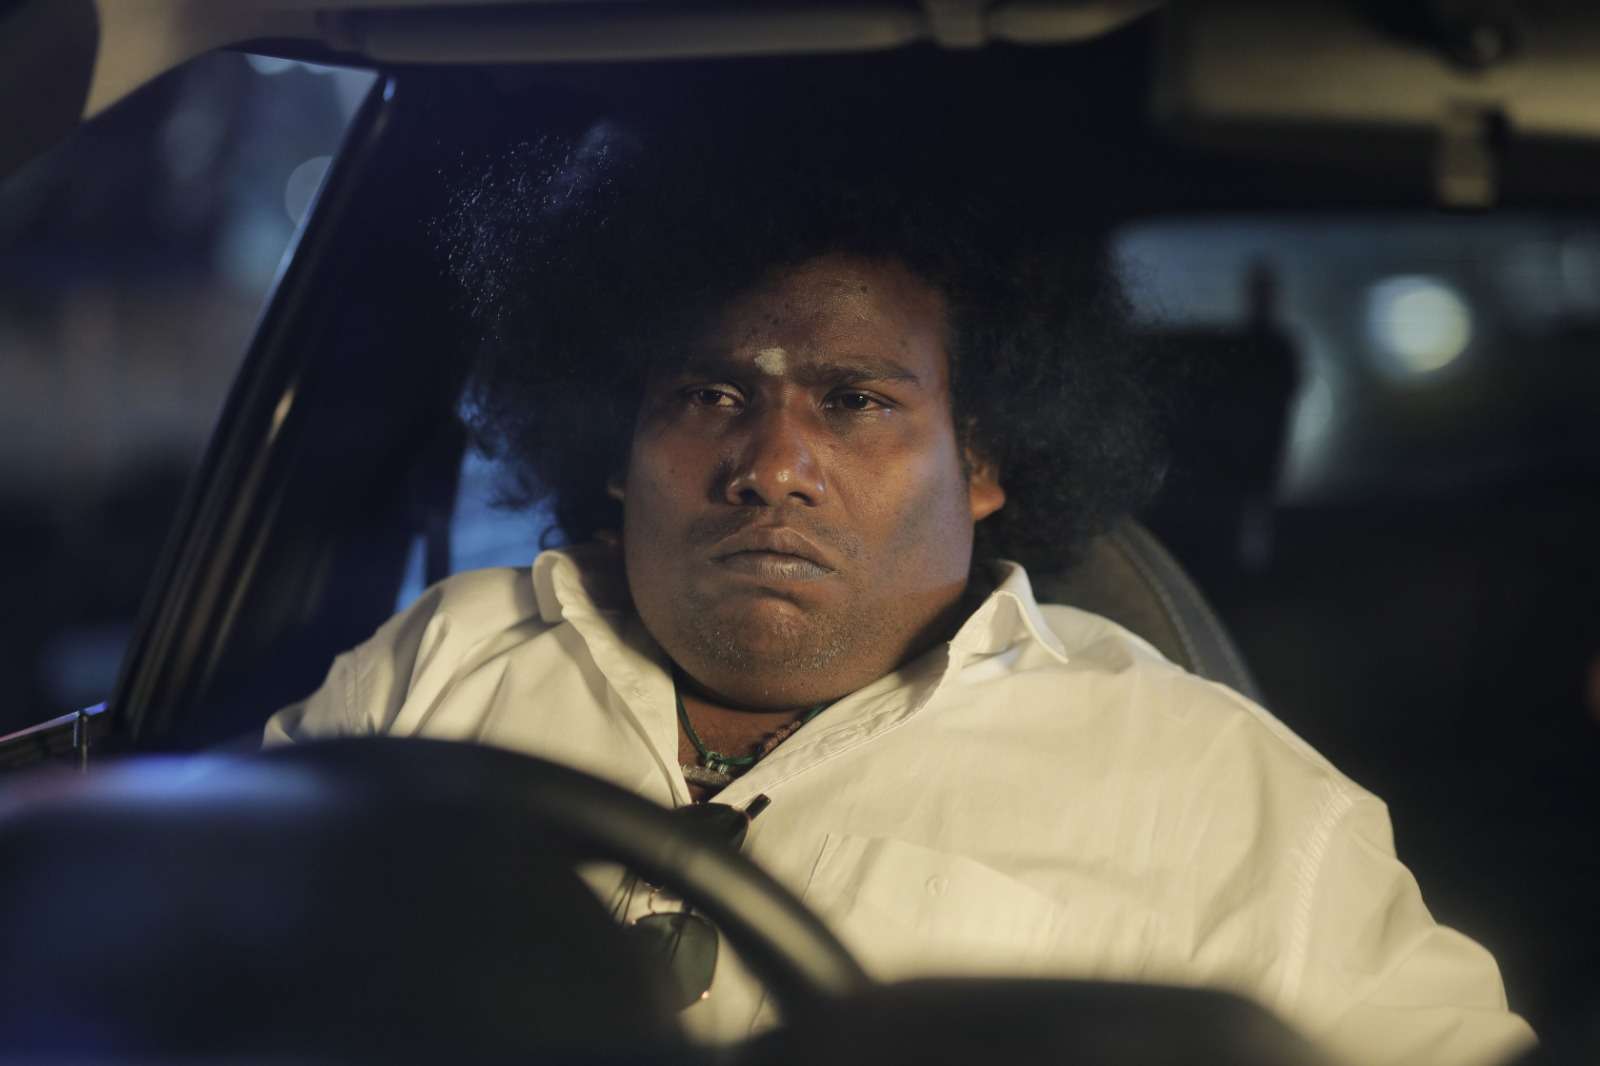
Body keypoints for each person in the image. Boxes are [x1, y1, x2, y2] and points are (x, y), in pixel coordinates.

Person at [264, 80, 1534, 1065]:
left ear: (983, 458)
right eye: (710, 394)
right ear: (617, 446)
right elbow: (214, 972)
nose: (772, 466)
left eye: (855, 400)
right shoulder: (441, 662)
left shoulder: (1216, 789)